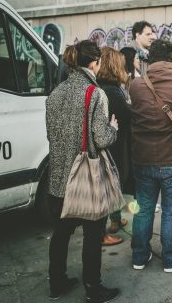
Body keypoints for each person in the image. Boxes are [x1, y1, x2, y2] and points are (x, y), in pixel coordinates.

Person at [45, 40, 120, 302]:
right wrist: (114, 128)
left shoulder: (55, 93)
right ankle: (93, 287)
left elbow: (50, 135)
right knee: (92, 234)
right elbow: (101, 138)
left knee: (61, 232)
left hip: (58, 178)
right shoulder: (95, 94)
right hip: (86, 179)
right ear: (94, 63)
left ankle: (57, 282)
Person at [130, 39, 172, 273]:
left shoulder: (136, 85)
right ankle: (171, 258)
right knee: (171, 211)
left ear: (150, 57)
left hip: (143, 158)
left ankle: (139, 256)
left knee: (144, 208)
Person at [97, 47, 132, 241]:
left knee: (111, 184)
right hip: (112, 146)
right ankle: (101, 233)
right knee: (110, 184)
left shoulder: (100, 87)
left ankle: (116, 219)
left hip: (107, 144)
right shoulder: (112, 91)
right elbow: (127, 117)